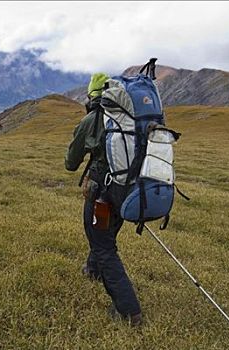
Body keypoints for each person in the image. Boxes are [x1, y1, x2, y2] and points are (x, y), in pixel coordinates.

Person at [65, 73, 142, 326]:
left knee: (103, 244)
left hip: (102, 192)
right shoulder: (131, 119)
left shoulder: (92, 119)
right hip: (128, 190)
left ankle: (128, 311)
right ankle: (93, 271)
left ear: (93, 95)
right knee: (105, 234)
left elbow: (70, 163)